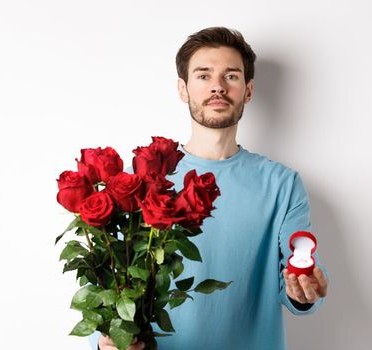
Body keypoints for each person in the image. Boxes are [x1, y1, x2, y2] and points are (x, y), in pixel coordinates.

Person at [90, 26, 329, 350]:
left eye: (231, 76)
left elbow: (298, 273)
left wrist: (303, 288)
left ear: (248, 90)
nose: (217, 86)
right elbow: (110, 281)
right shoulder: (140, 178)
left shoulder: (281, 185)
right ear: (183, 89)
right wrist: (105, 342)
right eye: (203, 76)